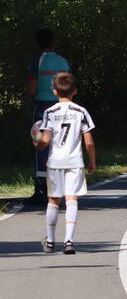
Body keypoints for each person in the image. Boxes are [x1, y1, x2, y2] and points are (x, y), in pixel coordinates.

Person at [34, 72, 95, 255]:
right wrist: (91, 161)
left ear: (54, 91)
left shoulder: (49, 112)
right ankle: (69, 241)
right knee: (71, 199)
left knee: (53, 200)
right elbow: (89, 141)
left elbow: (45, 140)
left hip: (55, 162)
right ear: (74, 91)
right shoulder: (81, 111)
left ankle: (50, 241)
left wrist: (37, 143)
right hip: (74, 161)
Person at [26, 29, 72, 205]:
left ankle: (41, 190)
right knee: (61, 146)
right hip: (62, 107)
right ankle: (62, 188)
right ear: (54, 43)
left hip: (42, 108)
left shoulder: (36, 61)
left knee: (41, 146)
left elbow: (31, 89)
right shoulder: (63, 62)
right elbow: (69, 86)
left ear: (38, 44)